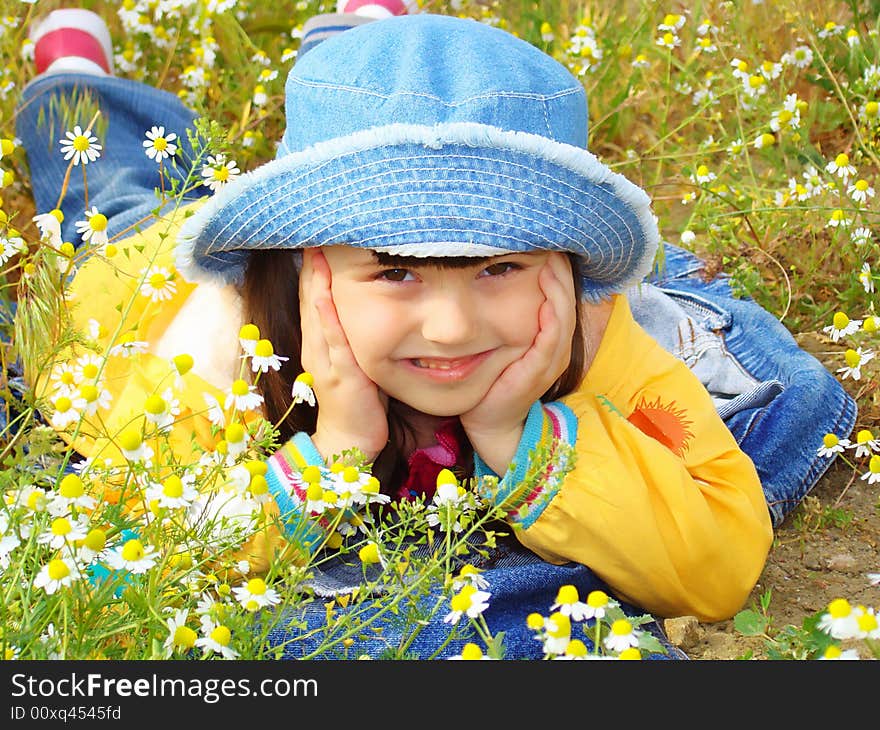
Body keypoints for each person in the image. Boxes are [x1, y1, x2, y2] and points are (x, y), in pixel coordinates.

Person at [14, 5, 856, 660]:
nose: (452, 328)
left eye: (500, 267)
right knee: (113, 191)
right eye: (397, 270)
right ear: (310, 266)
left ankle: (370, 47)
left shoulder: (600, 334)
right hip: (146, 272)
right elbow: (114, 560)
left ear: (563, 266)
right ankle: (73, 75)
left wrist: (516, 432)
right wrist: (334, 450)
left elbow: (719, 562)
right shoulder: (213, 351)